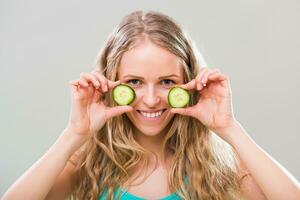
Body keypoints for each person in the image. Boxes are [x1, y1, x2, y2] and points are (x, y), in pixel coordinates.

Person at [2, 10, 300, 200]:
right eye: (134, 82)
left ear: (189, 81)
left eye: (167, 82)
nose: (151, 98)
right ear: (111, 82)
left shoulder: (217, 166)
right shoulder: (87, 165)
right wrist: (73, 135)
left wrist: (230, 128)